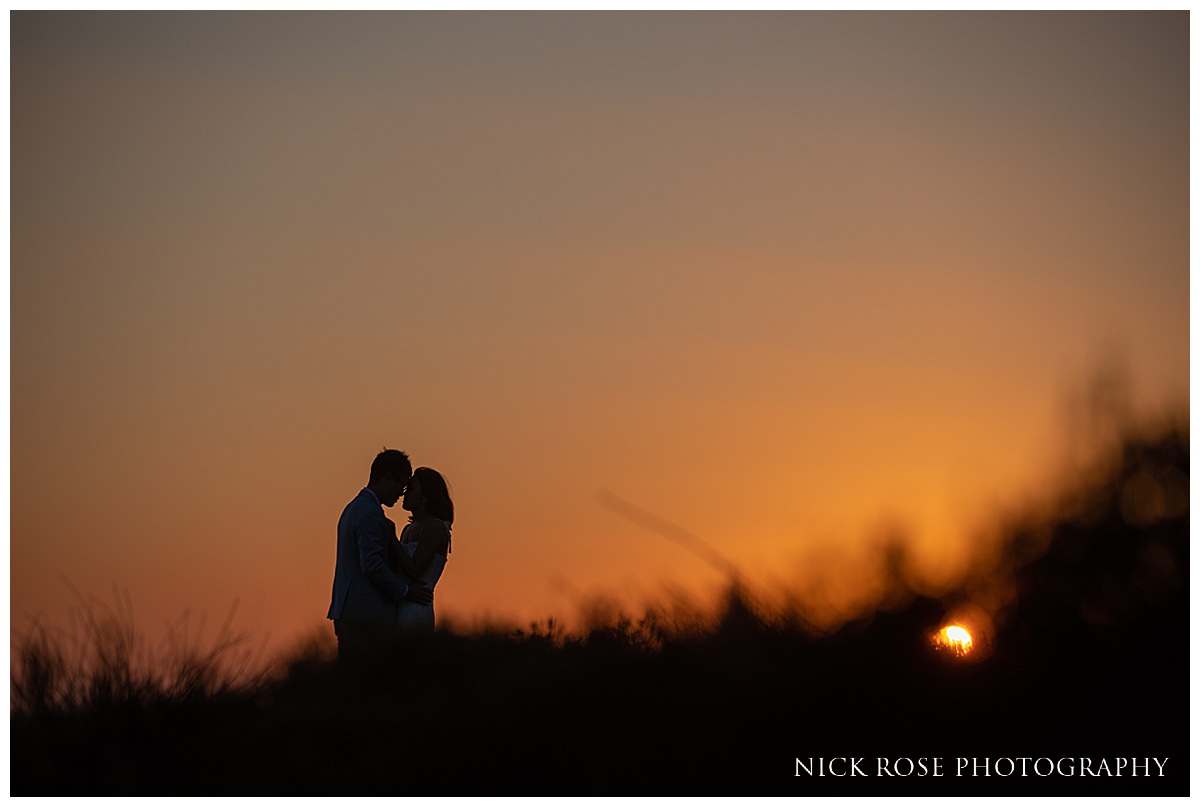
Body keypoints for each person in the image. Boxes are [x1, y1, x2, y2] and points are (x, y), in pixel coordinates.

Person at [327, 448, 433, 658]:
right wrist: (405, 591)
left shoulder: (354, 508)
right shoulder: (370, 514)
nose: (401, 493)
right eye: (401, 486)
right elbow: (372, 565)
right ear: (387, 479)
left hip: (350, 611)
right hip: (366, 615)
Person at [389, 467, 453, 635]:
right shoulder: (408, 529)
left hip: (417, 609)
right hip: (401, 604)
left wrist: (390, 538)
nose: (404, 494)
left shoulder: (434, 527)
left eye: (411, 489)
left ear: (425, 497)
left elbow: (415, 569)